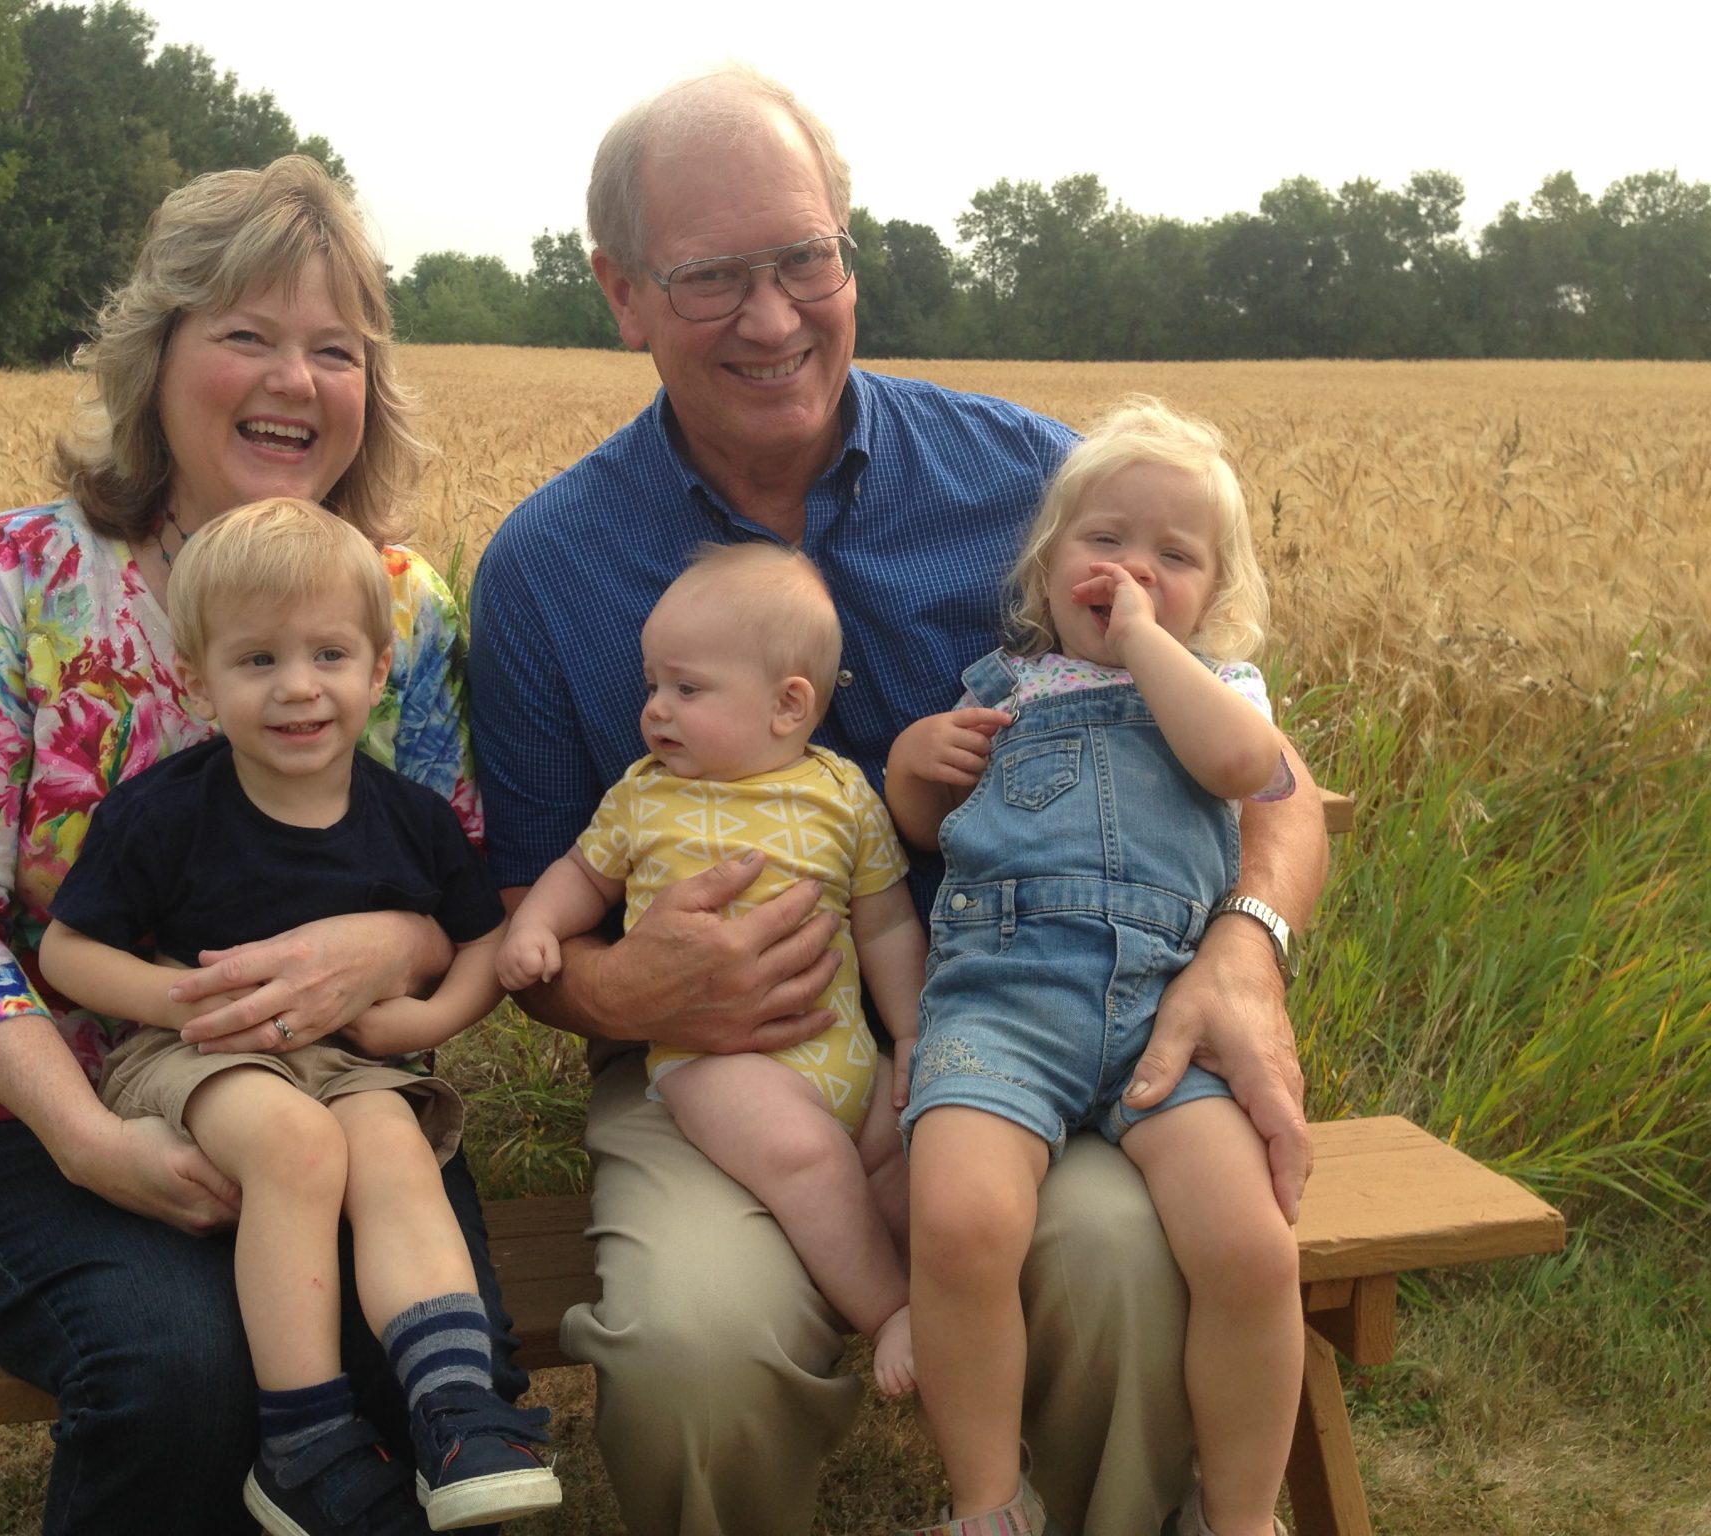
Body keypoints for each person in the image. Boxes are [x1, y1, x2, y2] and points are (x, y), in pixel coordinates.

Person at [467, 66, 1329, 1536]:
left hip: (1034, 1015)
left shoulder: (1038, 487)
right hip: (722, 1067)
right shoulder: (548, 567)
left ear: (848, 250)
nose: (774, 314)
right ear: (620, 294)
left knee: (1125, 1266)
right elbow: (525, 924)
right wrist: (627, 985)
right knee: (687, 1352)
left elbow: (1276, 779)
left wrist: (1246, 944)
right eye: (710, 276)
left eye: (805, 257)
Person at [0, 155, 530, 1536]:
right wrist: (89, 1134)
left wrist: (391, 941)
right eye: (245, 335)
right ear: (155, 357)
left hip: (339, 1097)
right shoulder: (13, 579)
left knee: (433, 1379)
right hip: (38, 1120)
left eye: (333, 350)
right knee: (178, 1374)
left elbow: (450, 866)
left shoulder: (397, 606)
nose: (294, 379)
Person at [37, 498, 559, 1536]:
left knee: (394, 1146)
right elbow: (65, 951)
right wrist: (178, 1000)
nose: (297, 688)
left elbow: (476, 946)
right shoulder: (163, 812)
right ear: (196, 681)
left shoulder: (406, 819)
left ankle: (457, 1409)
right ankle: (304, 1437)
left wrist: (422, 1026)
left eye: (328, 654)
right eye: (258, 660)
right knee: (297, 1145)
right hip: (192, 1055)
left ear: (377, 670)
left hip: (350, 1059)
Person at [886, 400, 1302, 1536]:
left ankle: (1238, 1513)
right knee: (960, 1221)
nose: (1134, 569)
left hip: (1160, 1015)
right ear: (1045, 568)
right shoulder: (1005, 685)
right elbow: (927, 833)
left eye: (1175, 557)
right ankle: (986, 1503)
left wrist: (1146, 647)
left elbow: (1240, 767)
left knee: (1251, 1251)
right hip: (1001, 1003)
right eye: (1104, 542)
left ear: (1213, 598)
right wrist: (910, 766)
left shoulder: (1218, 695)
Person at [496, 543, 924, 1395]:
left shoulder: (843, 793)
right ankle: (890, 1313)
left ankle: (950, 1308)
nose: (655, 710)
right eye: (653, 685)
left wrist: (910, 1034)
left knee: (903, 1162)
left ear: (787, 704)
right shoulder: (645, 795)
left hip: (840, 1050)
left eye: (686, 690)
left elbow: (884, 924)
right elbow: (584, 874)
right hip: (722, 1067)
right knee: (805, 1160)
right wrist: (538, 928)